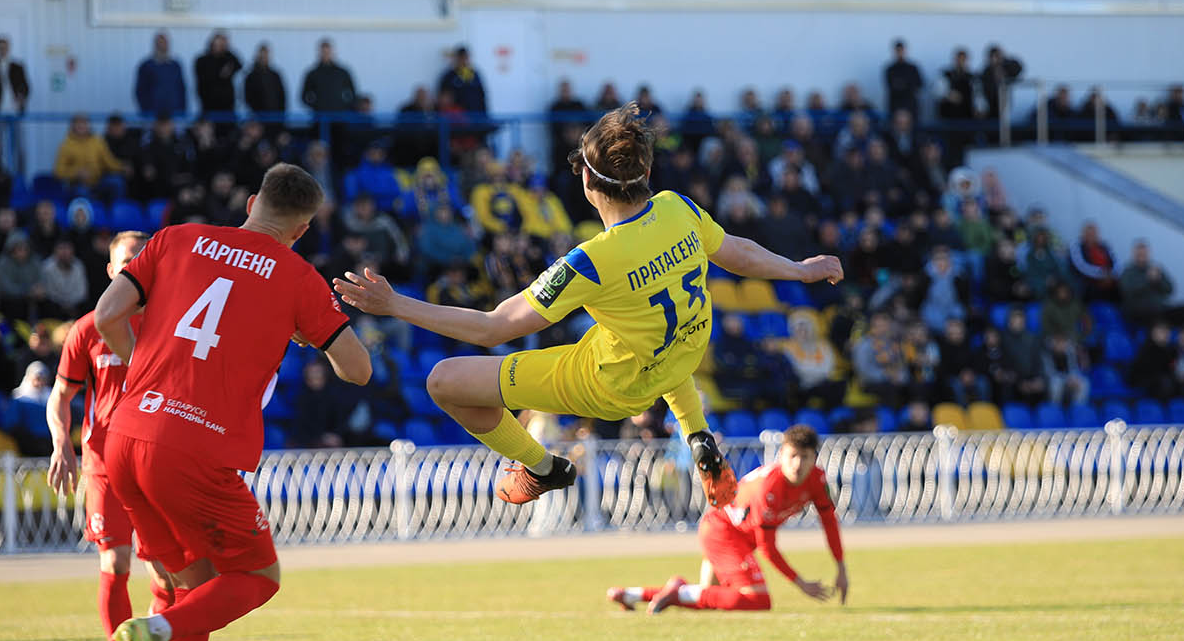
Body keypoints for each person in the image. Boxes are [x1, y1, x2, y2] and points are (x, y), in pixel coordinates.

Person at [334, 103, 844, 508]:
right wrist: (799, 269)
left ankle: (541, 466)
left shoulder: (589, 262)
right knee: (651, 338)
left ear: (586, 182)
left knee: (443, 380)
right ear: (647, 171)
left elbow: (494, 328)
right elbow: (737, 251)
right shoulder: (678, 207)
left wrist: (395, 304)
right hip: (684, 351)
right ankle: (698, 435)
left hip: (610, 383)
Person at [101, 163, 372, 641]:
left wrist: (138, 380)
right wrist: (306, 331)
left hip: (127, 434)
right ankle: (152, 631)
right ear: (300, 230)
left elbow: (106, 314)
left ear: (252, 201)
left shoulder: (176, 238)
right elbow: (358, 369)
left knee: (193, 585)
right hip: (197, 448)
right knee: (257, 576)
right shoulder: (298, 276)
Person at [42, 231, 174, 641]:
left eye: (140, 259)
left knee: (166, 570)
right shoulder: (87, 329)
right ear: (109, 269)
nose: (132, 266)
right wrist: (61, 441)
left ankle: (153, 638)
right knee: (115, 565)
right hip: (103, 461)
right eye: (124, 260)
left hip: (158, 460)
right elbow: (61, 395)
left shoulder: (170, 321)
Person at [608, 425, 847, 613]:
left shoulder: (817, 479)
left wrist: (841, 567)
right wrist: (800, 583)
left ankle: (631, 594)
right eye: (793, 456)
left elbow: (829, 520)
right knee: (758, 599)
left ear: (814, 458)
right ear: (781, 454)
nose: (798, 464)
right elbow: (767, 547)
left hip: (737, 535)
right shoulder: (769, 488)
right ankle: (678, 590)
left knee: (708, 596)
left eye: (805, 457)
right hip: (723, 532)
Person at [135, 33, 188, 120]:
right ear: (155, 45)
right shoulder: (146, 65)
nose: (162, 46)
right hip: (153, 114)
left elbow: (181, 89)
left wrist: (182, 111)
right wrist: (146, 110)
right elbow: (140, 90)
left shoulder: (175, 65)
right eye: (159, 43)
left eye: (165, 43)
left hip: (174, 113)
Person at [192, 31, 240, 122]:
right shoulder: (202, 60)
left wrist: (227, 50)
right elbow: (205, 79)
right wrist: (220, 74)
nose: (219, 47)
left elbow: (239, 64)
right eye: (217, 44)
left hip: (227, 108)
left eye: (222, 44)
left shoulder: (227, 58)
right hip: (208, 107)